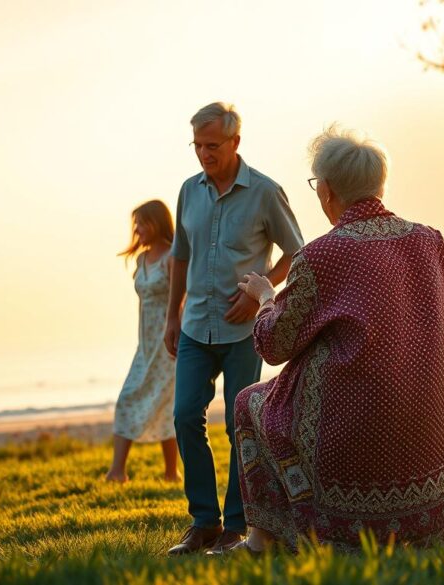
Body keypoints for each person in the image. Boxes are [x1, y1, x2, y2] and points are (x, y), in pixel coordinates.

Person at [228, 126, 444, 554]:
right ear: (379, 185)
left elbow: (272, 345)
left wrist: (265, 295)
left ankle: (263, 541)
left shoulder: (320, 256)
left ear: (328, 191)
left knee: (249, 401)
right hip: (424, 449)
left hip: (349, 445)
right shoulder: (428, 241)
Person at [165, 102, 305, 555]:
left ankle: (237, 526)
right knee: (186, 416)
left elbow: (297, 252)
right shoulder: (189, 191)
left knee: (239, 429)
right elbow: (180, 256)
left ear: (235, 142)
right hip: (193, 329)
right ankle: (203, 522)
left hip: (243, 335)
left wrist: (258, 294)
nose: (204, 154)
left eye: (212, 145)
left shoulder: (265, 191)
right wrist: (172, 315)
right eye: (197, 146)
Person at [105, 200, 181, 483]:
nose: (137, 229)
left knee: (165, 405)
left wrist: (177, 336)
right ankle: (121, 472)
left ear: (158, 223)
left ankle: (167, 473)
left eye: (142, 222)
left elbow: (181, 300)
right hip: (145, 344)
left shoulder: (174, 256)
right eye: (135, 223)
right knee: (129, 398)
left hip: (169, 343)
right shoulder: (141, 259)